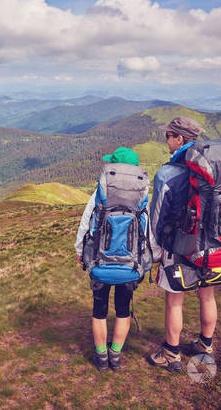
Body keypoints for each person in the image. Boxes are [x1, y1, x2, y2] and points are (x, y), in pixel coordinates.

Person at [147, 116, 216, 372]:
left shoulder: (168, 173)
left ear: (179, 139)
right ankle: (205, 345)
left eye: (168, 135)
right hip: (212, 245)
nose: (166, 140)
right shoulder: (213, 168)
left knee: (175, 300)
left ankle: (171, 354)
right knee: (207, 294)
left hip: (178, 245)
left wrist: (153, 252)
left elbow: (157, 218)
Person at [74, 146, 144, 371]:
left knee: (99, 309)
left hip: (100, 262)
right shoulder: (142, 195)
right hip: (129, 264)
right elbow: (147, 230)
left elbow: (86, 224)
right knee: (123, 309)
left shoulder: (100, 194)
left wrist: (79, 251)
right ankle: (116, 354)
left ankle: (101, 358)